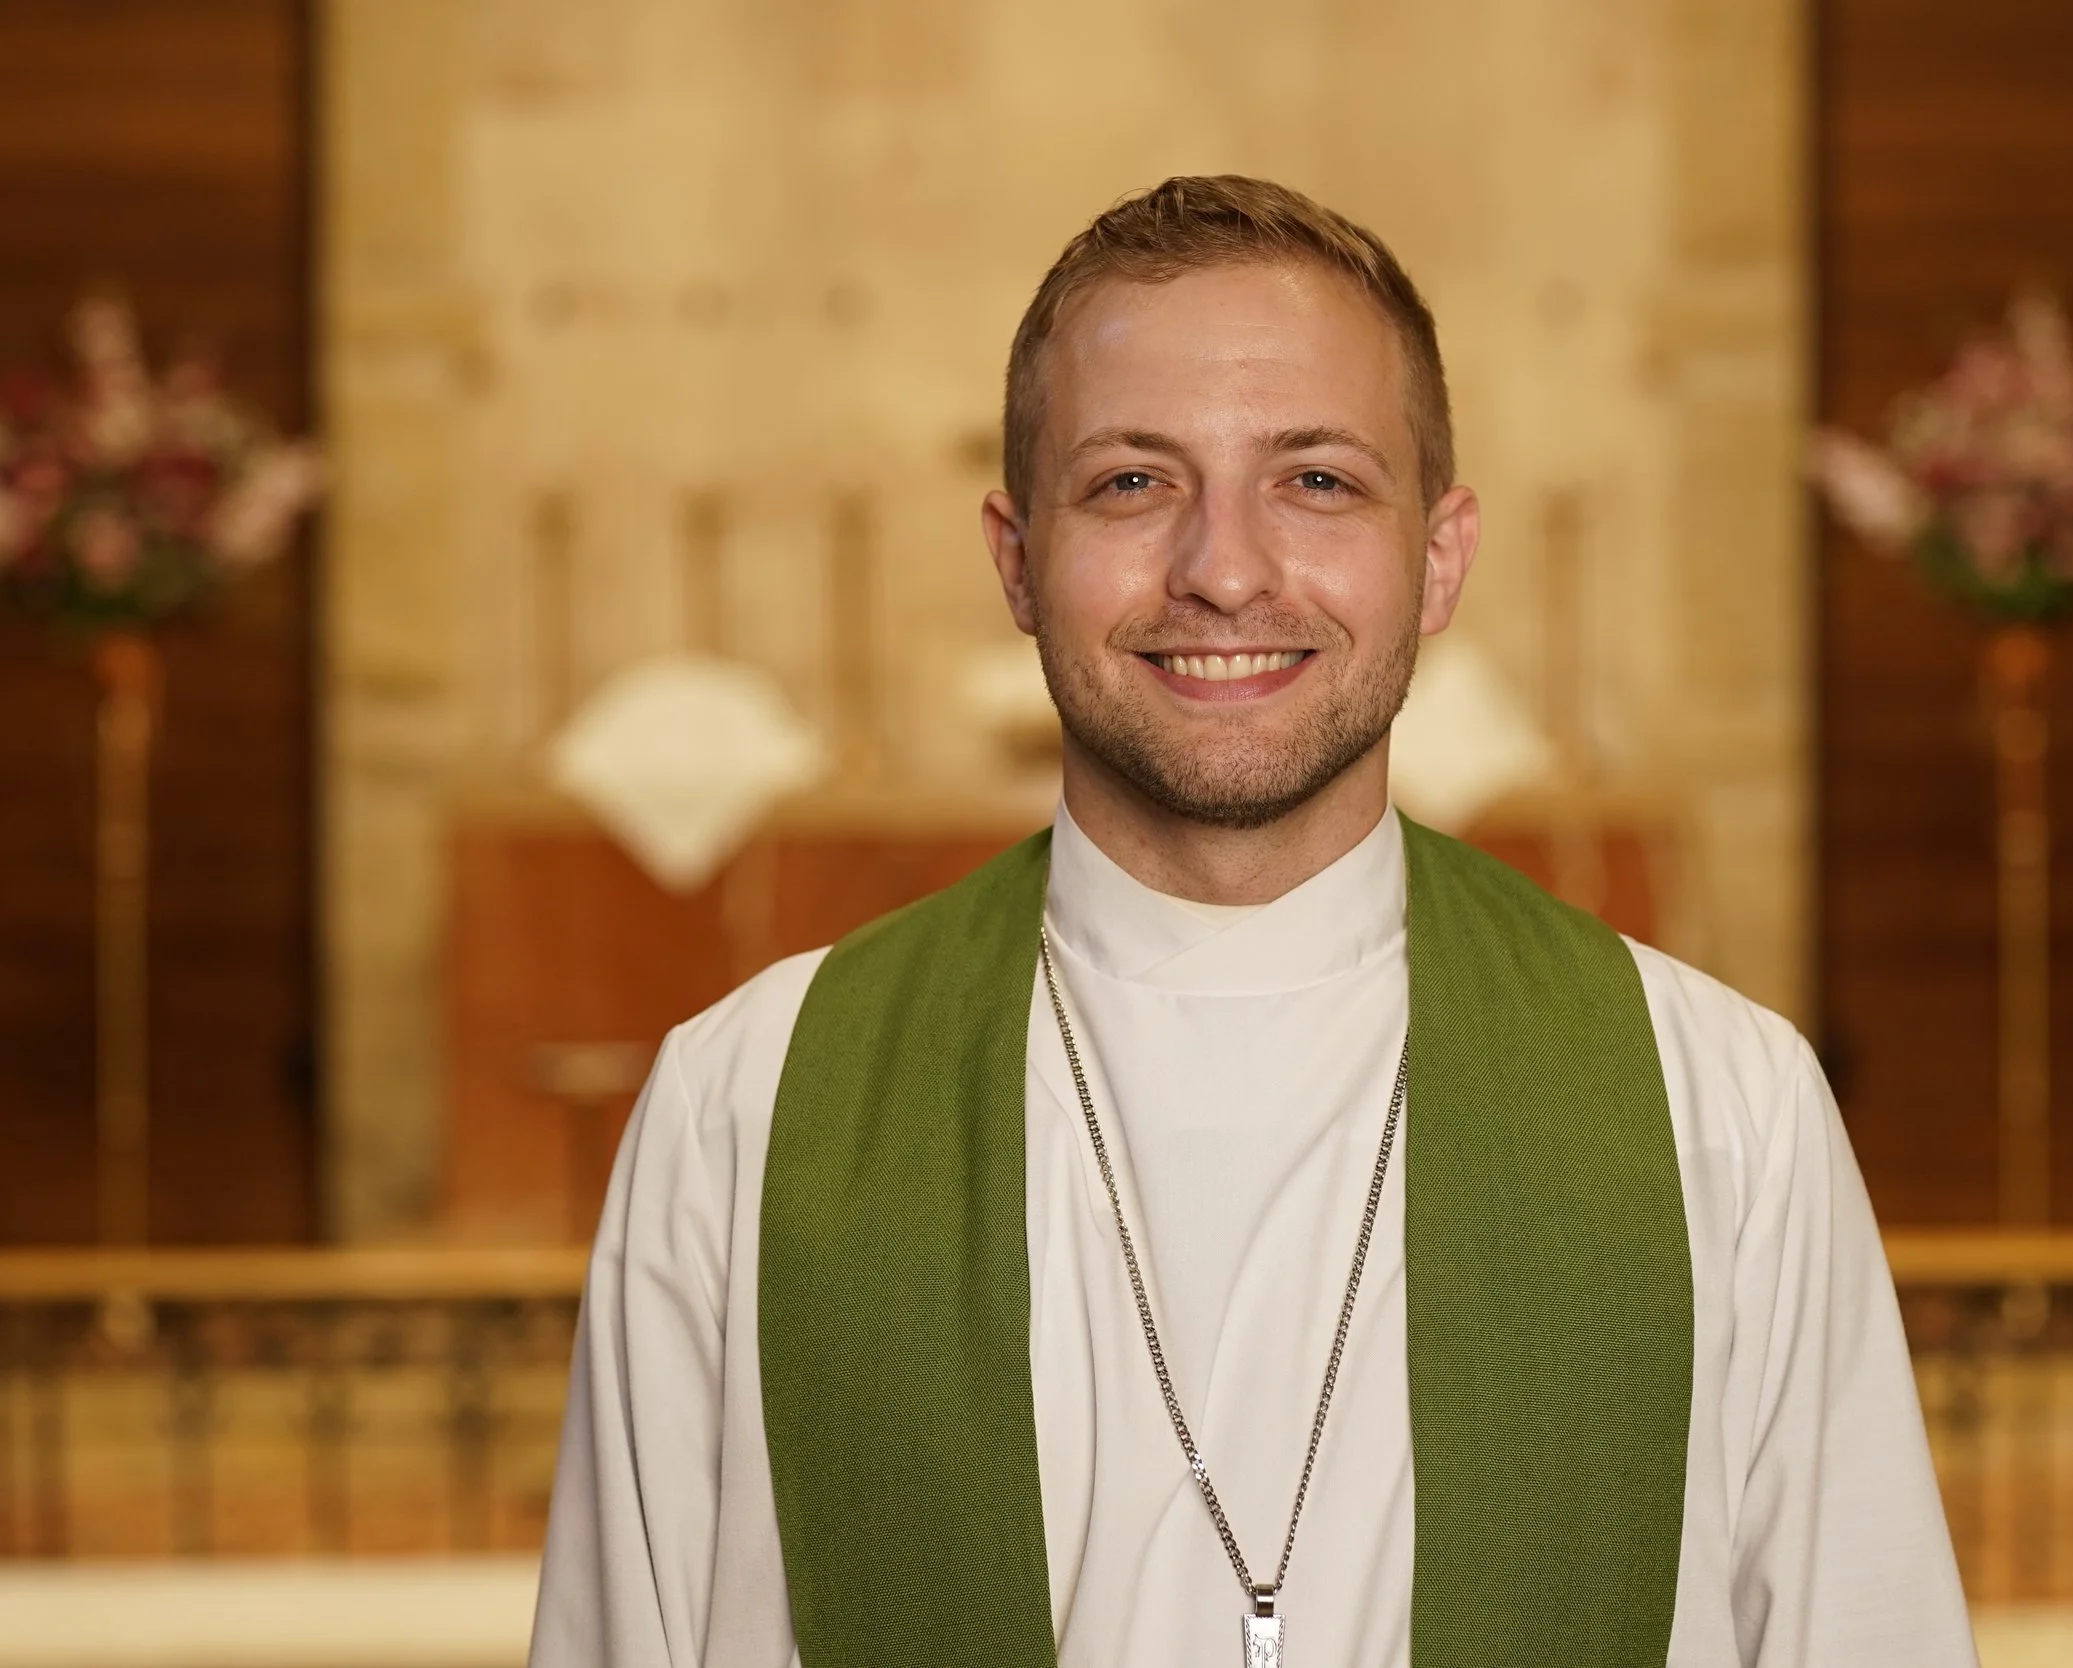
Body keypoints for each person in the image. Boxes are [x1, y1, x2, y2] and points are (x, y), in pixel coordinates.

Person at [529, 175, 1975, 1668]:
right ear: (1018, 560)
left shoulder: (1718, 1115)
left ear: (1441, 556)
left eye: (1320, 481)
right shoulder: (750, 1111)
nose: (1225, 571)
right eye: (1133, 483)